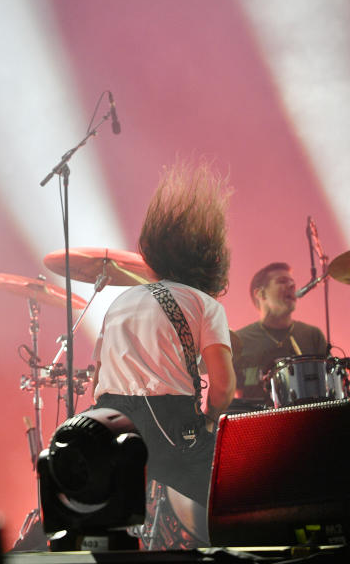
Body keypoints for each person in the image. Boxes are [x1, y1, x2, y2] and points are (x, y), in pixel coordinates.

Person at [90, 162, 236, 549]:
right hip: (167, 419)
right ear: (211, 258)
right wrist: (208, 421)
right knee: (235, 496)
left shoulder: (120, 300)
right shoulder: (205, 305)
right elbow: (223, 386)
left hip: (106, 419)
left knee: (112, 527)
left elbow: (97, 374)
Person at [233, 263, 329, 404]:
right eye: (282, 281)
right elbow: (231, 394)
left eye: (292, 282)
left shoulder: (313, 335)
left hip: (310, 420)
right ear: (260, 293)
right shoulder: (238, 340)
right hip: (259, 423)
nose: (291, 285)